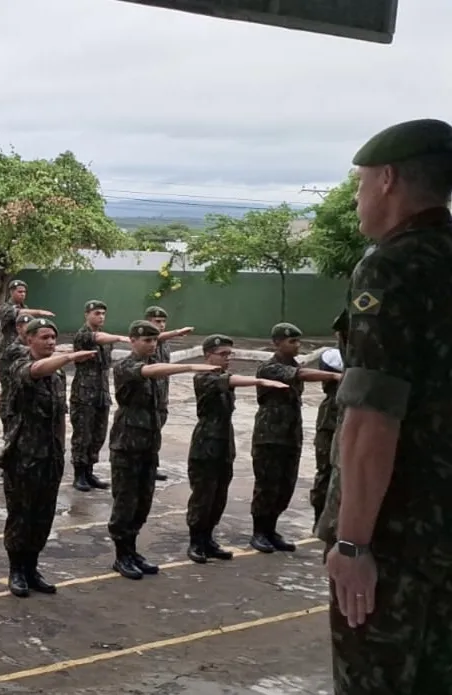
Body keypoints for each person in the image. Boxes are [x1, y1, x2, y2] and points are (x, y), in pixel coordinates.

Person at [317, 118, 452, 694]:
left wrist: (353, 543)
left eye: (360, 183)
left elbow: (372, 417)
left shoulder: (391, 267)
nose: (357, 197)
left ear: (388, 179)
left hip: (396, 538)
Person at [108, 320, 218, 580]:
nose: (151, 345)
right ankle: (121, 555)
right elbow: (149, 372)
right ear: (132, 340)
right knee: (125, 502)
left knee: (143, 501)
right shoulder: (125, 365)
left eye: (155, 340)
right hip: (127, 443)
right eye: (146, 340)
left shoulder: (154, 365)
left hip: (148, 443)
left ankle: (132, 550)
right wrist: (189, 366)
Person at [0, 318, 96, 597]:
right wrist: (69, 357)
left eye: (53, 337)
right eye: (44, 337)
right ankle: (16, 570)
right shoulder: (19, 365)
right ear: (29, 339)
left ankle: (32, 568)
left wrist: (61, 449)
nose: (51, 342)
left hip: (50, 455)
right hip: (23, 455)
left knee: (43, 515)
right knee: (21, 515)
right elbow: (34, 371)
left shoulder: (58, 375)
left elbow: (60, 416)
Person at [185, 334, 288, 564]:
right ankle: (196, 541)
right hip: (206, 441)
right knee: (203, 495)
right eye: (222, 354)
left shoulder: (222, 376)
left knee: (219, 494)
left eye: (229, 354)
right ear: (208, 355)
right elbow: (230, 381)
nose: (227, 358)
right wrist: (260, 382)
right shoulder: (203, 377)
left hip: (224, 440)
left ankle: (208, 538)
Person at [250, 322, 340, 554]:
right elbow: (301, 375)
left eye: (298, 341)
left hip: (290, 435)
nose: (297, 345)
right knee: (267, 485)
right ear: (277, 343)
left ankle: (271, 530)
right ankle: (259, 532)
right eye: (292, 341)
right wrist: (334, 375)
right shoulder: (269, 367)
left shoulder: (293, 364)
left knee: (285, 485)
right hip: (269, 435)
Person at [69, 300, 129, 492]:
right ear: (86, 314)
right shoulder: (83, 335)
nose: (101, 317)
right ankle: (79, 474)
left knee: (98, 434)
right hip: (84, 393)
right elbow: (97, 337)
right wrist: (119, 337)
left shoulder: (105, 338)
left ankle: (89, 471)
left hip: (101, 393)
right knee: (83, 435)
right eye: (96, 313)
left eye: (103, 313)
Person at [143, 306, 194, 482]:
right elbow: (156, 337)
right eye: (157, 321)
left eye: (164, 322)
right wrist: (177, 332)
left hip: (161, 394)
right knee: (146, 433)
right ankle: (145, 466)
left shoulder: (164, 344)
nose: (161, 325)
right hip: (148, 395)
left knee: (156, 432)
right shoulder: (148, 341)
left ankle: (152, 465)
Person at [310, 317, 346, 527]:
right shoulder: (333, 356)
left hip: (347, 415)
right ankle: (320, 521)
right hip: (331, 416)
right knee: (326, 471)